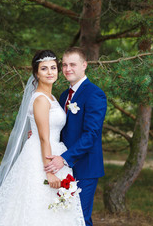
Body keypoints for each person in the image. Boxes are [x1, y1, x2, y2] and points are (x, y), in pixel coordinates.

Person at [0, 50, 85, 226]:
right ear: (36, 73)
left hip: (55, 153)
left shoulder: (51, 97)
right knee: (37, 206)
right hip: (43, 158)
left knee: (55, 210)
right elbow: (44, 138)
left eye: (53, 67)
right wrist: (49, 172)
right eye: (44, 69)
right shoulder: (41, 99)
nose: (50, 72)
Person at [44, 47, 107, 226]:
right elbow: (62, 129)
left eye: (72, 64)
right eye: (64, 65)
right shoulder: (64, 95)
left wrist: (63, 159)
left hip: (85, 167)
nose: (67, 69)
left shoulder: (94, 93)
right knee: (65, 218)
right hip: (64, 166)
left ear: (84, 65)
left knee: (80, 218)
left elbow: (91, 134)